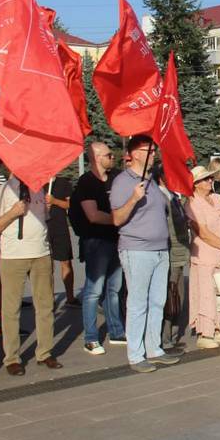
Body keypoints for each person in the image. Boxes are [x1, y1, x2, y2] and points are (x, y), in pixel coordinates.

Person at [110, 135, 182, 372]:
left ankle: (154, 348)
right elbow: (117, 219)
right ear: (136, 153)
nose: (154, 155)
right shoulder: (123, 181)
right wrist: (133, 198)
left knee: (157, 301)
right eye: (149, 151)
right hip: (137, 249)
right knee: (138, 303)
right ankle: (135, 354)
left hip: (160, 250)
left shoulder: (151, 181)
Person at [0, 174, 61, 376]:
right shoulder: (4, 190)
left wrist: (47, 209)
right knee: (11, 309)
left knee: (45, 306)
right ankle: (12, 357)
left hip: (41, 254)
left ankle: (44, 352)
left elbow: (43, 219)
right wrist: (12, 213)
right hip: (13, 256)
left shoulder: (41, 187)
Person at [70, 142, 125, 355]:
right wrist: (118, 219)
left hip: (115, 239)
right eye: (109, 155)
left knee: (114, 289)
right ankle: (91, 337)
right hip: (96, 241)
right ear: (96, 157)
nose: (113, 158)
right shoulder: (87, 182)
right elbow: (92, 215)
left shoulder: (114, 178)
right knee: (94, 291)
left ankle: (116, 331)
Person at [185, 166, 220, 349]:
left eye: (210, 178)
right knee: (205, 293)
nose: (210, 181)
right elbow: (204, 233)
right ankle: (204, 332)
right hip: (204, 255)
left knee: (219, 293)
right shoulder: (192, 202)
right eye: (205, 179)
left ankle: (218, 328)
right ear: (195, 184)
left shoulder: (217, 198)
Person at [158, 172, 190, 350]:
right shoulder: (161, 196)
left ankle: (169, 334)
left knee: (177, 293)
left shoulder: (174, 196)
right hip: (169, 251)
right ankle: (165, 337)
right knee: (170, 294)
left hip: (179, 251)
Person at [46, 175, 77, 307]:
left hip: (60, 226)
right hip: (42, 227)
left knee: (66, 261)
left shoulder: (63, 182)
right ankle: (49, 299)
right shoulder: (36, 183)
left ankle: (70, 298)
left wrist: (54, 201)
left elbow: (70, 204)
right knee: (47, 265)